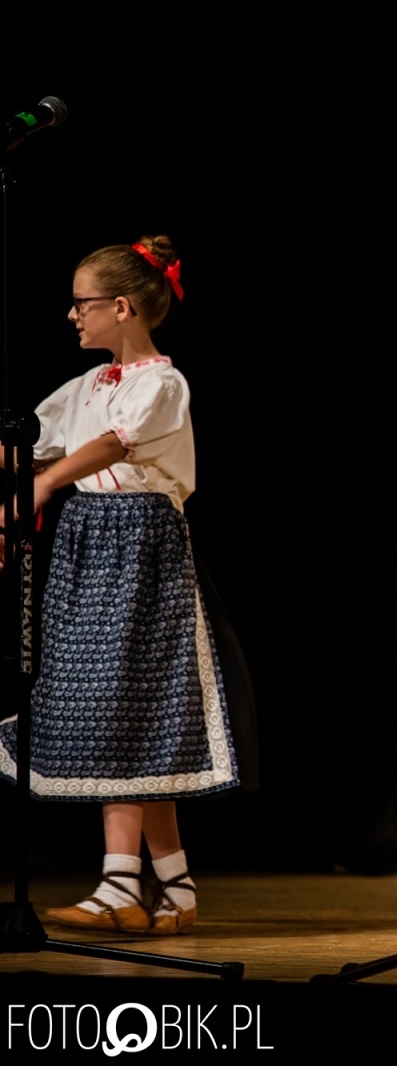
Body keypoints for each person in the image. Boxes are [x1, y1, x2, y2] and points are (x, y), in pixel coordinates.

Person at [0, 236, 242, 935]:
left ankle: (118, 884)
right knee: (127, 716)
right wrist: (27, 471)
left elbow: (111, 445)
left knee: (119, 707)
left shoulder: (160, 383)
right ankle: (176, 885)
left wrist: (45, 482)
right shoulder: (88, 386)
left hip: (139, 548)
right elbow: (32, 440)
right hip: (86, 546)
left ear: (123, 306)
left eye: (83, 304)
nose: (73, 316)